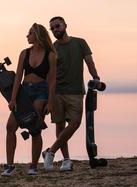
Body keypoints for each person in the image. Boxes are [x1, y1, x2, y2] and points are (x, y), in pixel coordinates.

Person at [41, 16, 102, 171]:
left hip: (75, 92)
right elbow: (49, 73)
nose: (55, 30)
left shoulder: (80, 43)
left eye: (57, 26)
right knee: (60, 125)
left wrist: (96, 78)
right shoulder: (52, 48)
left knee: (75, 123)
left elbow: (90, 62)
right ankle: (66, 160)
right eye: (52, 28)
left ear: (65, 25)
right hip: (57, 92)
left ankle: (51, 151)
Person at [1, 23, 57, 176]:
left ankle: (33, 166)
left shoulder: (50, 55)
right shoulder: (24, 53)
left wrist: (50, 102)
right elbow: (18, 77)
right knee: (10, 126)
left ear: (37, 35)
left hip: (41, 92)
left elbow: (52, 81)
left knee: (35, 128)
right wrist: (12, 99)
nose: (27, 36)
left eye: (30, 33)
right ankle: (10, 166)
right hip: (24, 91)